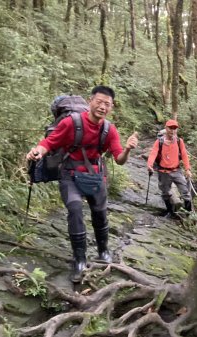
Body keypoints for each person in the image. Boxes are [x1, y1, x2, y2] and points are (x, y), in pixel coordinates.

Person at [26, 86, 138, 282]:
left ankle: (103, 252)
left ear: (111, 107)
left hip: (95, 175)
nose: (102, 107)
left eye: (107, 104)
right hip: (69, 175)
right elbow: (49, 143)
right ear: (90, 101)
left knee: (100, 212)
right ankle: (79, 259)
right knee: (75, 209)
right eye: (99, 102)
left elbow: (119, 159)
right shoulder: (71, 123)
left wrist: (127, 149)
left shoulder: (109, 129)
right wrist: (38, 151)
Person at [146, 119, 192, 218]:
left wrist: (187, 169)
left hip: (177, 171)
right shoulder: (159, 142)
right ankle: (170, 212)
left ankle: (188, 214)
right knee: (165, 193)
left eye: (175, 128)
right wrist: (149, 165)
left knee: (185, 192)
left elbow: (184, 155)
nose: (173, 130)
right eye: (170, 128)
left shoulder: (179, 141)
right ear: (166, 128)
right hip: (163, 171)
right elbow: (153, 153)